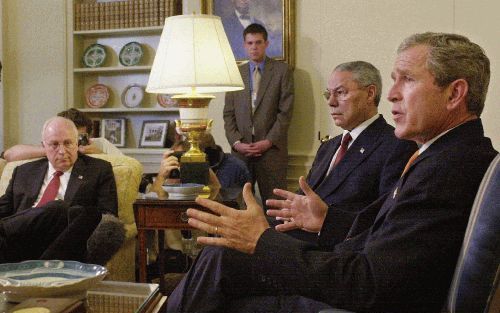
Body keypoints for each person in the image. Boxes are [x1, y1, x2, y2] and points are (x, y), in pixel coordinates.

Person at [166, 32, 498, 313]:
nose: (393, 93)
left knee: (220, 270)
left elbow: (368, 284)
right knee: (221, 259)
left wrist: (261, 240)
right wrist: (326, 221)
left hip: (355, 298)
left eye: (407, 80)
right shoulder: (446, 155)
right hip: (348, 273)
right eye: (394, 80)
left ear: (455, 93)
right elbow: (383, 241)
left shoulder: (447, 169)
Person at [287, 61, 417, 242]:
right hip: (296, 233)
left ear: (370, 94)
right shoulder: (328, 147)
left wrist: (328, 221)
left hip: (337, 247)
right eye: (328, 94)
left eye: (340, 93)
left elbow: (384, 220)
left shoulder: (396, 145)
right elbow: (307, 195)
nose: (331, 102)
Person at [0, 117, 118, 263]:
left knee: (59, 207)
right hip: (14, 244)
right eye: (54, 144)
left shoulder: (98, 170)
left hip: (57, 244)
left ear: (77, 143)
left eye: (68, 143)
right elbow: (3, 208)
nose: (62, 151)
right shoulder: (24, 171)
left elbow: (109, 215)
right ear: (44, 146)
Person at [224, 23, 294, 208]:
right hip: (241, 152)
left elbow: (285, 113)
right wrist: (237, 142)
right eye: (250, 43)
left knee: (276, 207)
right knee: (238, 205)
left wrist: (268, 141)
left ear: (266, 43)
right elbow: (228, 114)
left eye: (258, 42)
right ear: (244, 45)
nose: (254, 47)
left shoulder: (281, 71)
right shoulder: (235, 73)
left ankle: (275, 238)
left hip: (271, 152)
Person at [2, 108, 122, 162]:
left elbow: (130, 167)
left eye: (78, 138)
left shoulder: (99, 145)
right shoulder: (52, 147)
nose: (72, 142)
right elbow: (8, 155)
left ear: (88, 137)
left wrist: (100, 155)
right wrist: (53, 151)